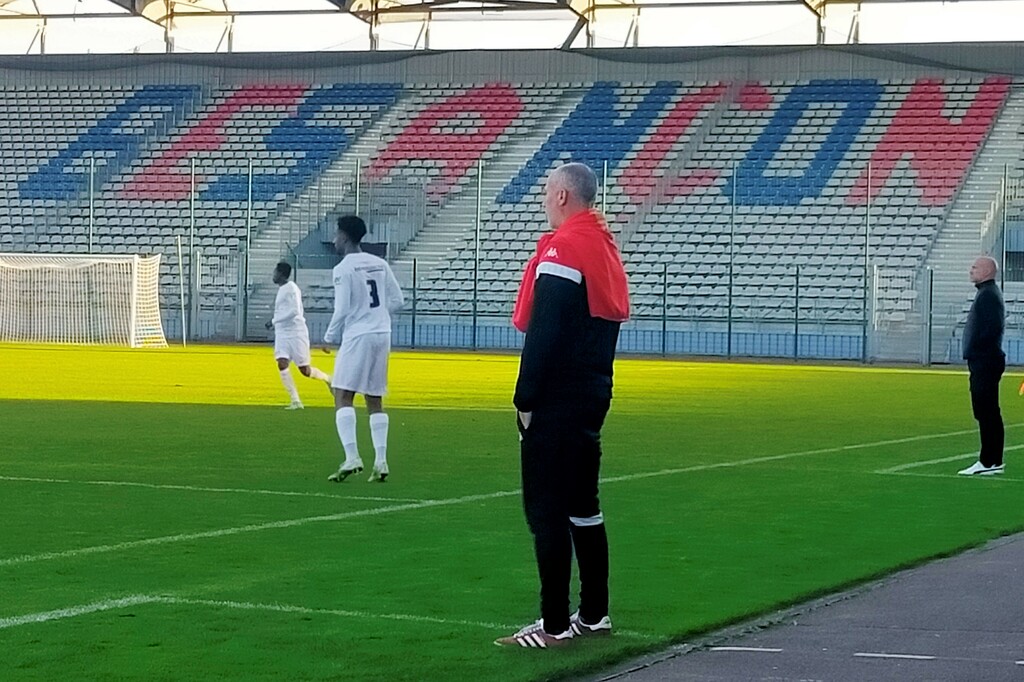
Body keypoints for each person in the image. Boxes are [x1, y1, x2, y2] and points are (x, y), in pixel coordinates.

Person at [495, 162, 630, 648]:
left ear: (562, 196)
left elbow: (544, 332)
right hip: (593, 391)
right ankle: (594, 613)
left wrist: (525, 399)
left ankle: (553, 625)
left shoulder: (564, 249)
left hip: (558, 398)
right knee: (583, 506)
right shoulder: (602, 246)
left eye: (546, 193)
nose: (543, 201)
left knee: (545, 510)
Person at [324, 215, 404, 483]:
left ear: (345, 236)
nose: (335, 240)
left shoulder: (343, 268)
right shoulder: (379, 263)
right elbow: (398, 300)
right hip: (382, 334)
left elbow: (342, 308)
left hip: (358, 335)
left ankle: (352, 457)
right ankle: (381, 461)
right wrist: (378, 315)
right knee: (374, 398)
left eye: (336, 234)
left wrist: (329, 336)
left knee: (342, 394)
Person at [958, 255, 1006, 476]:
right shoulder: (987, 293)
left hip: (985, 361)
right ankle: (993, 460)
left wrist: (977, 349)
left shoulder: (988, 295)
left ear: (987, 271)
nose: (971, 270)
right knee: (987, 411)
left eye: (975, 267)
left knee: (986, 412)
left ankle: (988, 461)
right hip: (985, 359)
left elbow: (991, 328)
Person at [266, 261, 331, 410]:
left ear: (281, 274)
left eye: (275, 272)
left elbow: (295, 311)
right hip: (282, 333)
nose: (273, 275)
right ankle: (295, 401)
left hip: (296, 332)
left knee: (305, 370)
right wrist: (276, 323)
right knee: (282, 363)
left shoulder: (292, 288)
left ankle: (328, 379)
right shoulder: (282, 289)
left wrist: (274, 321)